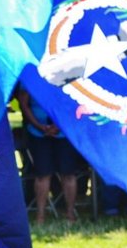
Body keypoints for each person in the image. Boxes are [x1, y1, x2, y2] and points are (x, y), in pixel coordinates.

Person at [17, 85, 87, 224]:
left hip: (65, 133)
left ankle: (70, 214)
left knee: (68, 174)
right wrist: (39, 126)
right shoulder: (30, 72)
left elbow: (75, 103)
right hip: (38, 133)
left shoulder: (68, 74)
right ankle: (40, 216)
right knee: (42, 175)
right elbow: (24, 104)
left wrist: (59, 125)